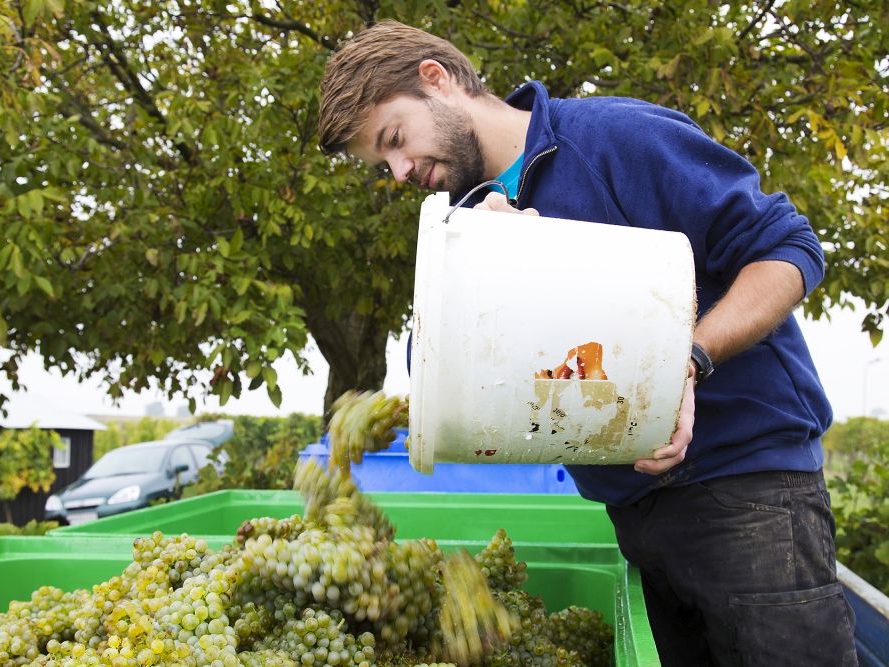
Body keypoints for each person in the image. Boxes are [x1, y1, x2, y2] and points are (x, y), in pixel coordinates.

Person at [317, 20, 858, 667]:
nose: (401, 171)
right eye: (385, 163)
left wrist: (689, 359)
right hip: (636, 520)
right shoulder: (465, 230)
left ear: (437, 79)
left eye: (395, 139)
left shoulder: (613, 139)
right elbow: (459, 373)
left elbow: (788, 249)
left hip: (749, 497)